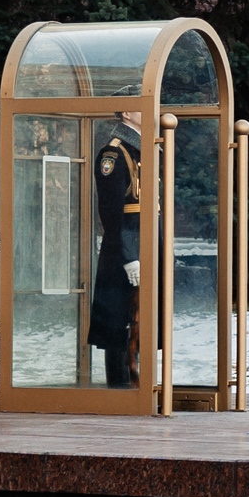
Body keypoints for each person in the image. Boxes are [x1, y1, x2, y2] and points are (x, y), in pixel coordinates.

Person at [90, 113, 144, 388]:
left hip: (142, 246)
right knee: (118, 318)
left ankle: (135, 382)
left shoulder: (139, 149)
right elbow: (112, 213)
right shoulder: (115, 152)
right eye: (142, 106)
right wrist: (128, 256)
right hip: (125, 251)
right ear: (126, 113)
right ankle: (120, 384)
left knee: (139, 317)